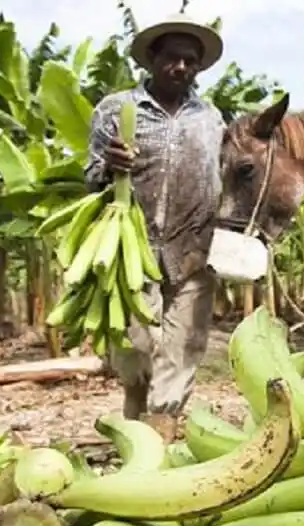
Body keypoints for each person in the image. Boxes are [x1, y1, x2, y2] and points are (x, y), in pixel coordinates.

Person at [84, 14, 226, 441]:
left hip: (195, 247)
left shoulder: (212, 119)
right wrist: (108, 165)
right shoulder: (117, 110)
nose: (181, 67)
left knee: (183, 348)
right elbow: (90, 177)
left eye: (190, 61)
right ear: (151, 58)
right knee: (136, 347)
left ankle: (161, 430)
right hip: (133, 246)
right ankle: (134, 421)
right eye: (172, 58)